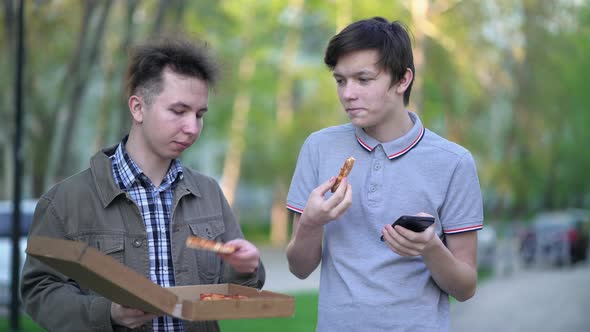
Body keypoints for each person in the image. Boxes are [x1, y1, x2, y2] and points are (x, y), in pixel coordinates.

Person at [21, 37, 265, 332]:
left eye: (200, 115)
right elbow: (39, 292)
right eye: (178, 111)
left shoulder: (210, 193)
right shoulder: (63, 201)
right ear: (138, 108)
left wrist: (245, 269)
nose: (192, 127)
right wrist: (109, 313)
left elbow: (235, 293)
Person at [286, 17, 483, 331]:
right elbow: (299, 268)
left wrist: (430, 248)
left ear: (402, 80)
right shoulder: (319, 147)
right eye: (340, 80)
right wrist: (310, 223)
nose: (348, 93)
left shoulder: (454, 162)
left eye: (363, 79)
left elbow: (465, 287)